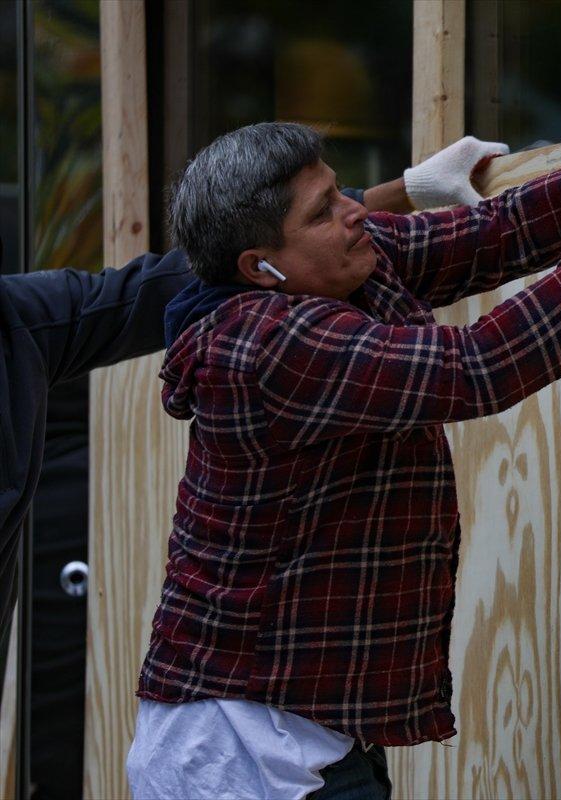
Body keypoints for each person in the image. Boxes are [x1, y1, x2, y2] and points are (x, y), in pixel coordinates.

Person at [123, 70, 561, 799]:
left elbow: (496, 232)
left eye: (338, 190)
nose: (355, 211)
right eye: (323, 211)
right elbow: (475, 368)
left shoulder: (338, 268)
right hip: (235, 755)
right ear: (257, 267)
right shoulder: (262, 345)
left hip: (307, 730)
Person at [0, 133, 511, 796]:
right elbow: (475, 369)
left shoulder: (15, 321)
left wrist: (398, 194)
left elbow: (182, 277)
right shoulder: (264, 354)